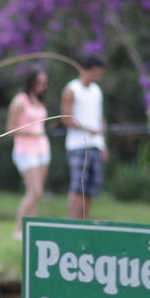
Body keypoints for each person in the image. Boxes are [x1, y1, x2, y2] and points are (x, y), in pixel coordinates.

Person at [61, 57, 108, 219]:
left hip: (95, 145)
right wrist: (88, 129)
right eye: (97, 73)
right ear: (88, 70)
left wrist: (102, 144)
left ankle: (84, 222)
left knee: (90, 188)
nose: (98, 77)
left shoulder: (97, 91)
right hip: (77, 146)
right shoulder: (72, 89)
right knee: (77, 187)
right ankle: (72, 222)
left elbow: (100, 118)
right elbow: (66, 118)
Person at [7, 69, 50, 240]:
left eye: (44, 83)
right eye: (39, 82)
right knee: (34, 192)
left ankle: (31, 229)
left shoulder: (39, 102)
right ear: (31, 81)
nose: (42, 86)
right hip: (25, 151)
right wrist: (32, 134)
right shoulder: (20, 101)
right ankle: (18, 230)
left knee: (37, 193)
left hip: (43, 150)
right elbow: (10, 129)